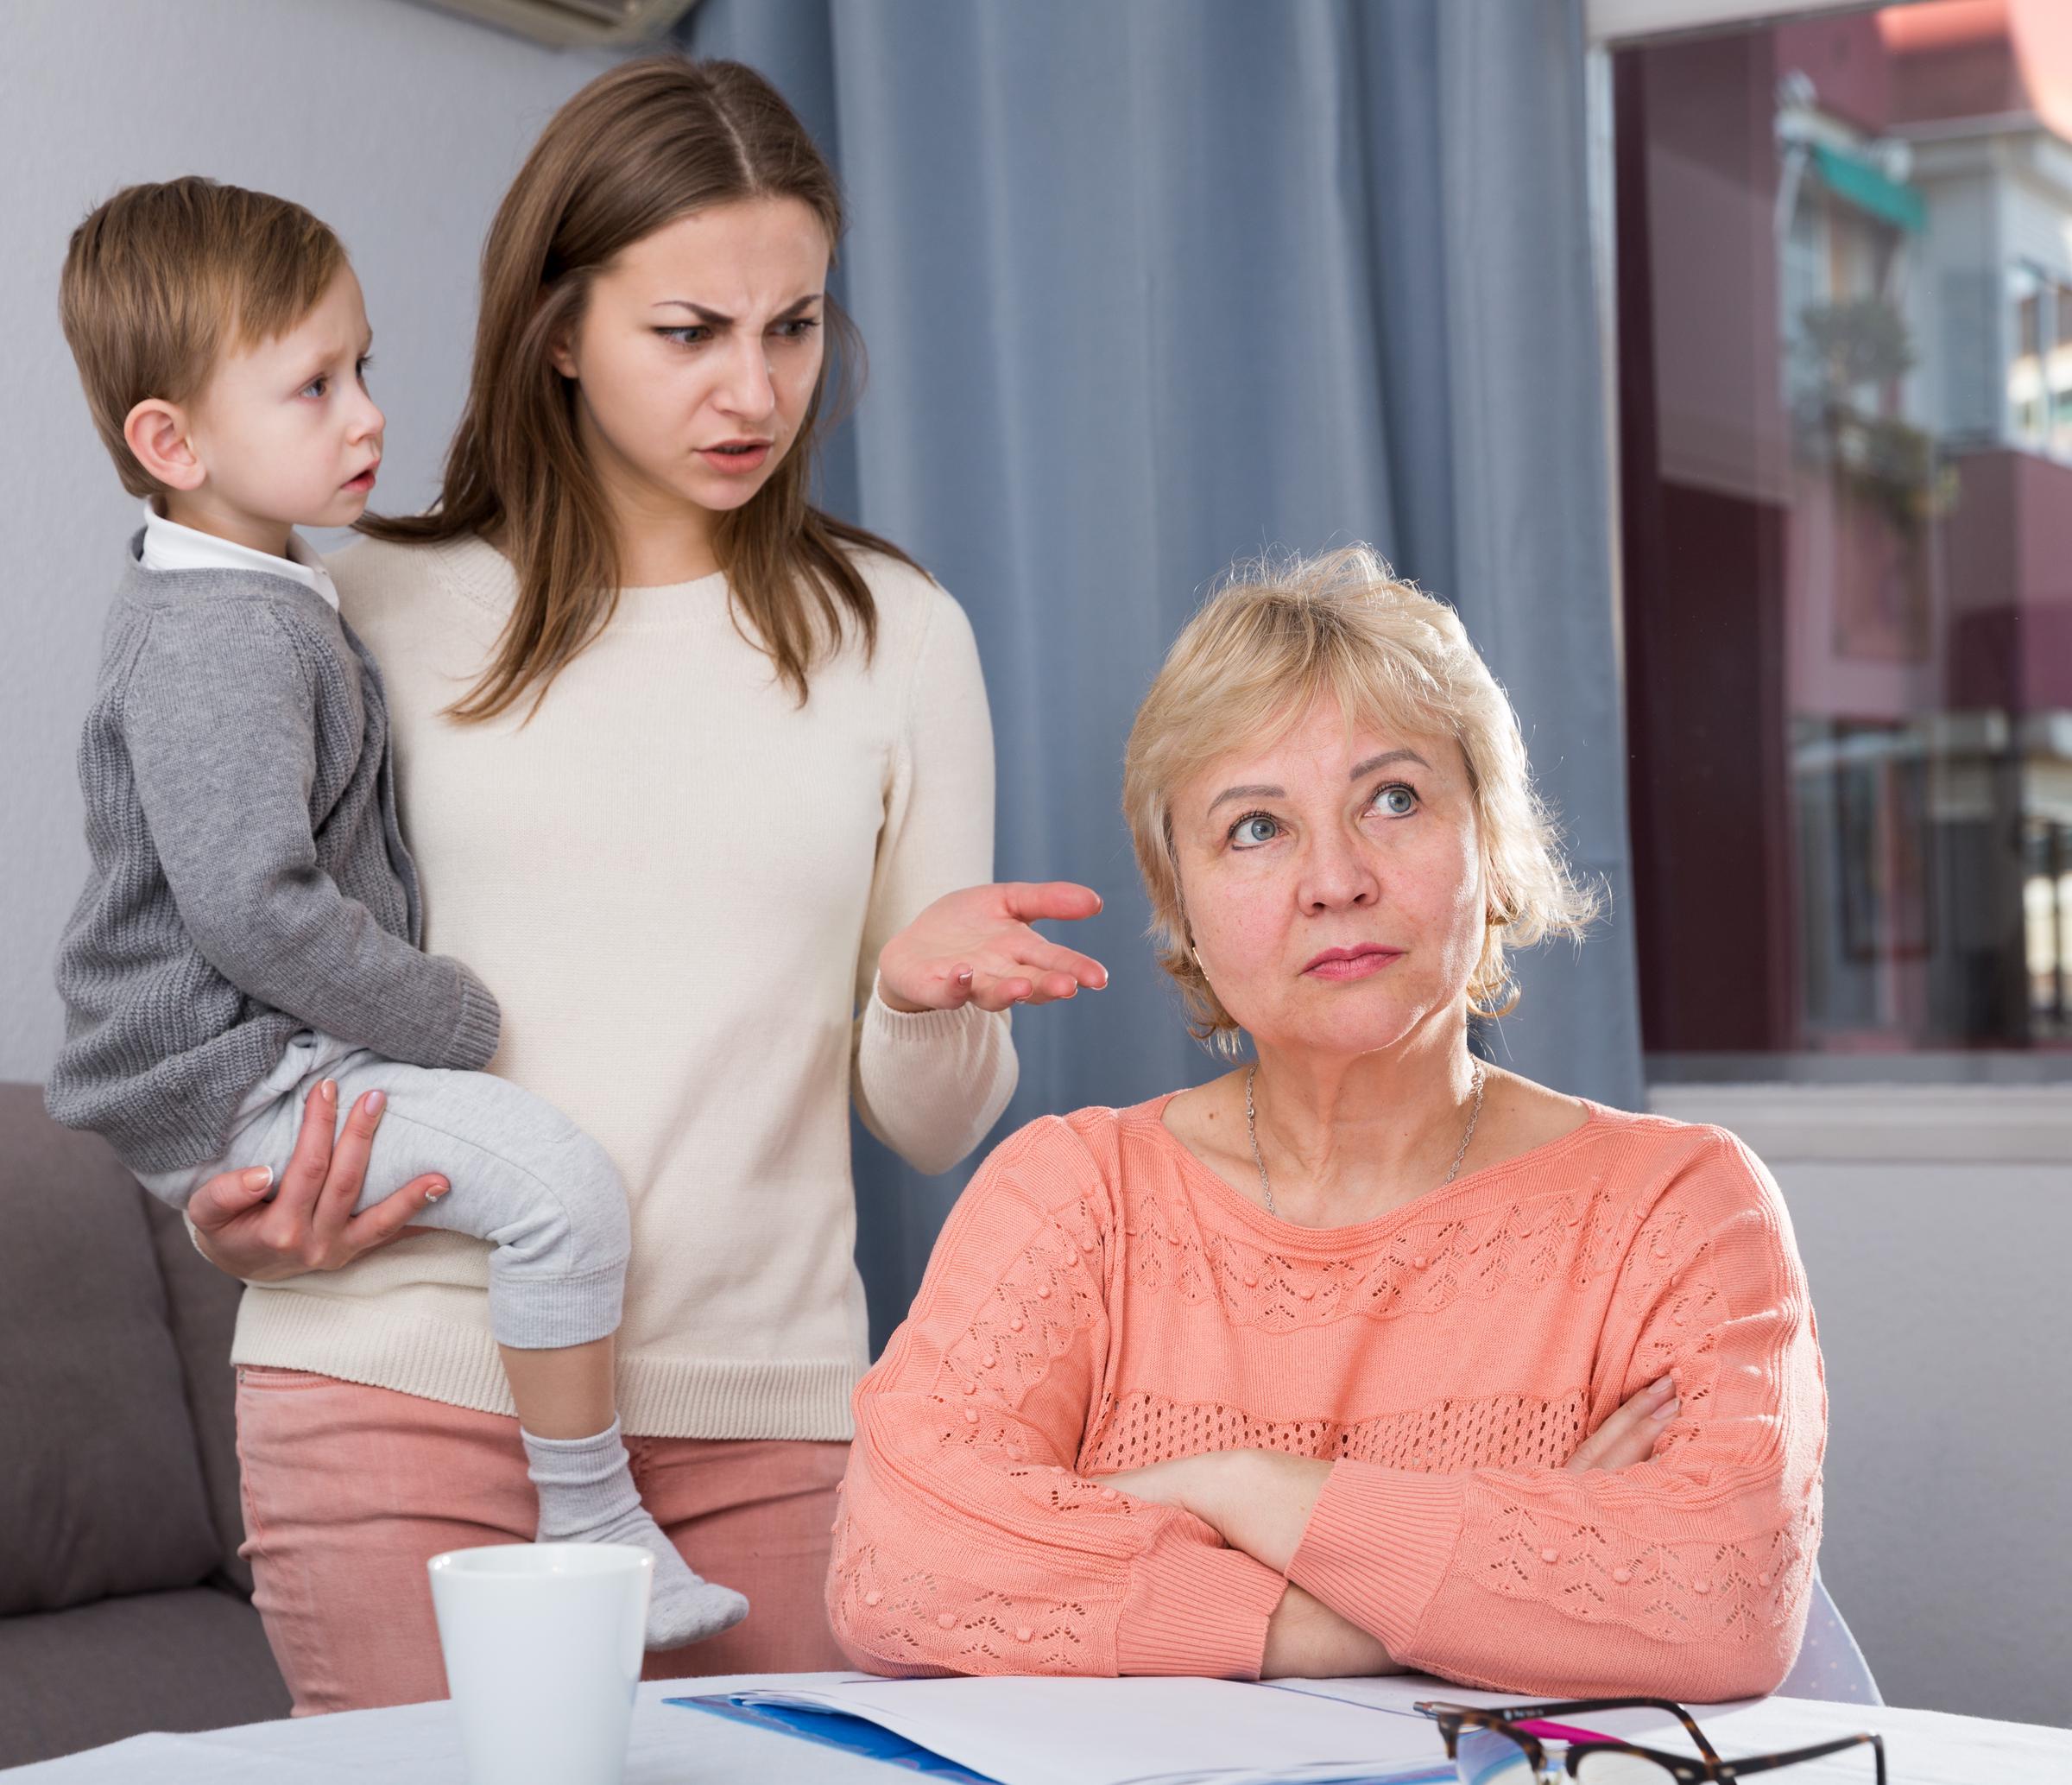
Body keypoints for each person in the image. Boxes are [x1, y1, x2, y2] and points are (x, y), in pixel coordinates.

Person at [164, 57, 1106, 1712]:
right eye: (691, 333)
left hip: (769, 1410)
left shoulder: (900, 636)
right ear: (558, 327)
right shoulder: (359, 604)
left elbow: (938, 1129)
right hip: (402, 1393)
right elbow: (219, 952)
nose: (755, 390)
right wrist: (228, 1197)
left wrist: (913, 998)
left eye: (794, 326)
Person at [829, 548, 1826, 1701]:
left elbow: (1718, 1605)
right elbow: (901, 1571)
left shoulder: (1680, 1205)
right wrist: (1444, 1599)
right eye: (1256, 828)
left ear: (1493, 849)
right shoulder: (1071, 1198)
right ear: (1182, 908)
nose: (1336, 879)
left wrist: (1235, 1488)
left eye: (1393, 799)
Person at [46, 174, 766, 1652]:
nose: (368, 413)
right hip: (235, 1069)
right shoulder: (219, 641)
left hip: (251, 1055)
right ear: (170, 442)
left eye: (363, 364)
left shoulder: (265, 590)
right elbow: (254, 909)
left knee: (550, 1188)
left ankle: (590, 1513)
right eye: (313, 387)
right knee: (565, 1190)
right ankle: (594, 1517)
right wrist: (455, 1022)